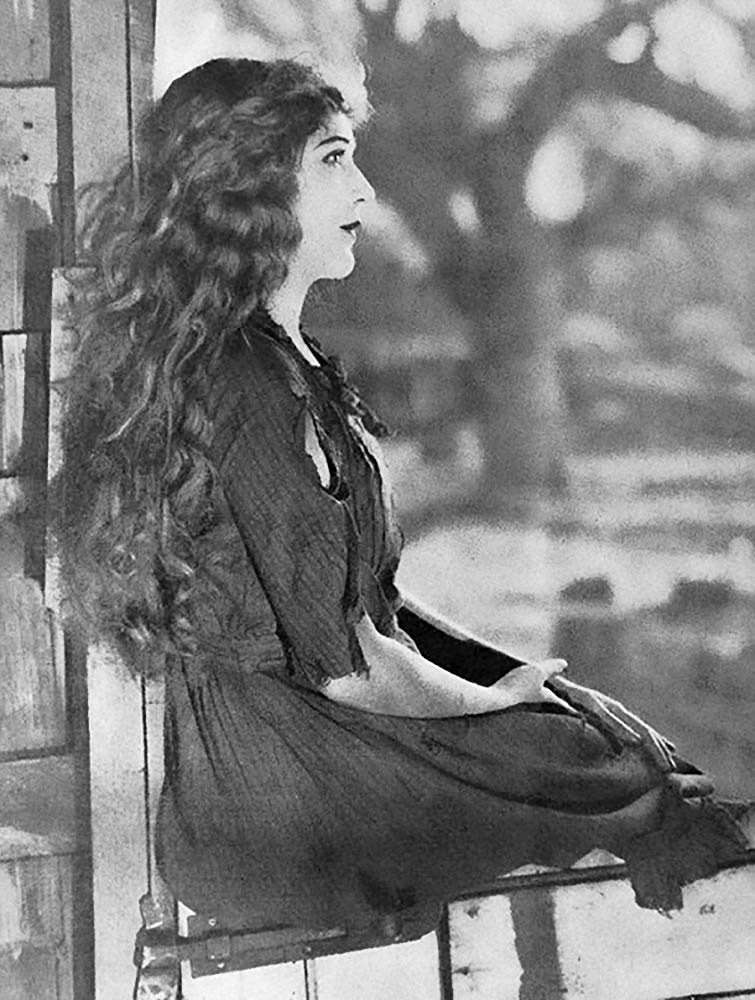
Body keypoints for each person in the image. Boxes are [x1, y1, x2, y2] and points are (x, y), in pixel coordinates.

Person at [52, 58, 751, 945]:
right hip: (279, 791)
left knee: (604, 735)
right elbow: (344, 667)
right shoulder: (246, 387)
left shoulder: (279, 361)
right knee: (610, 770)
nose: (366, 189)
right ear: (251, 187)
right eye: (333, 159)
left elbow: (370, 604)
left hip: (306, 744)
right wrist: (494, 707)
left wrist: (510, 679)